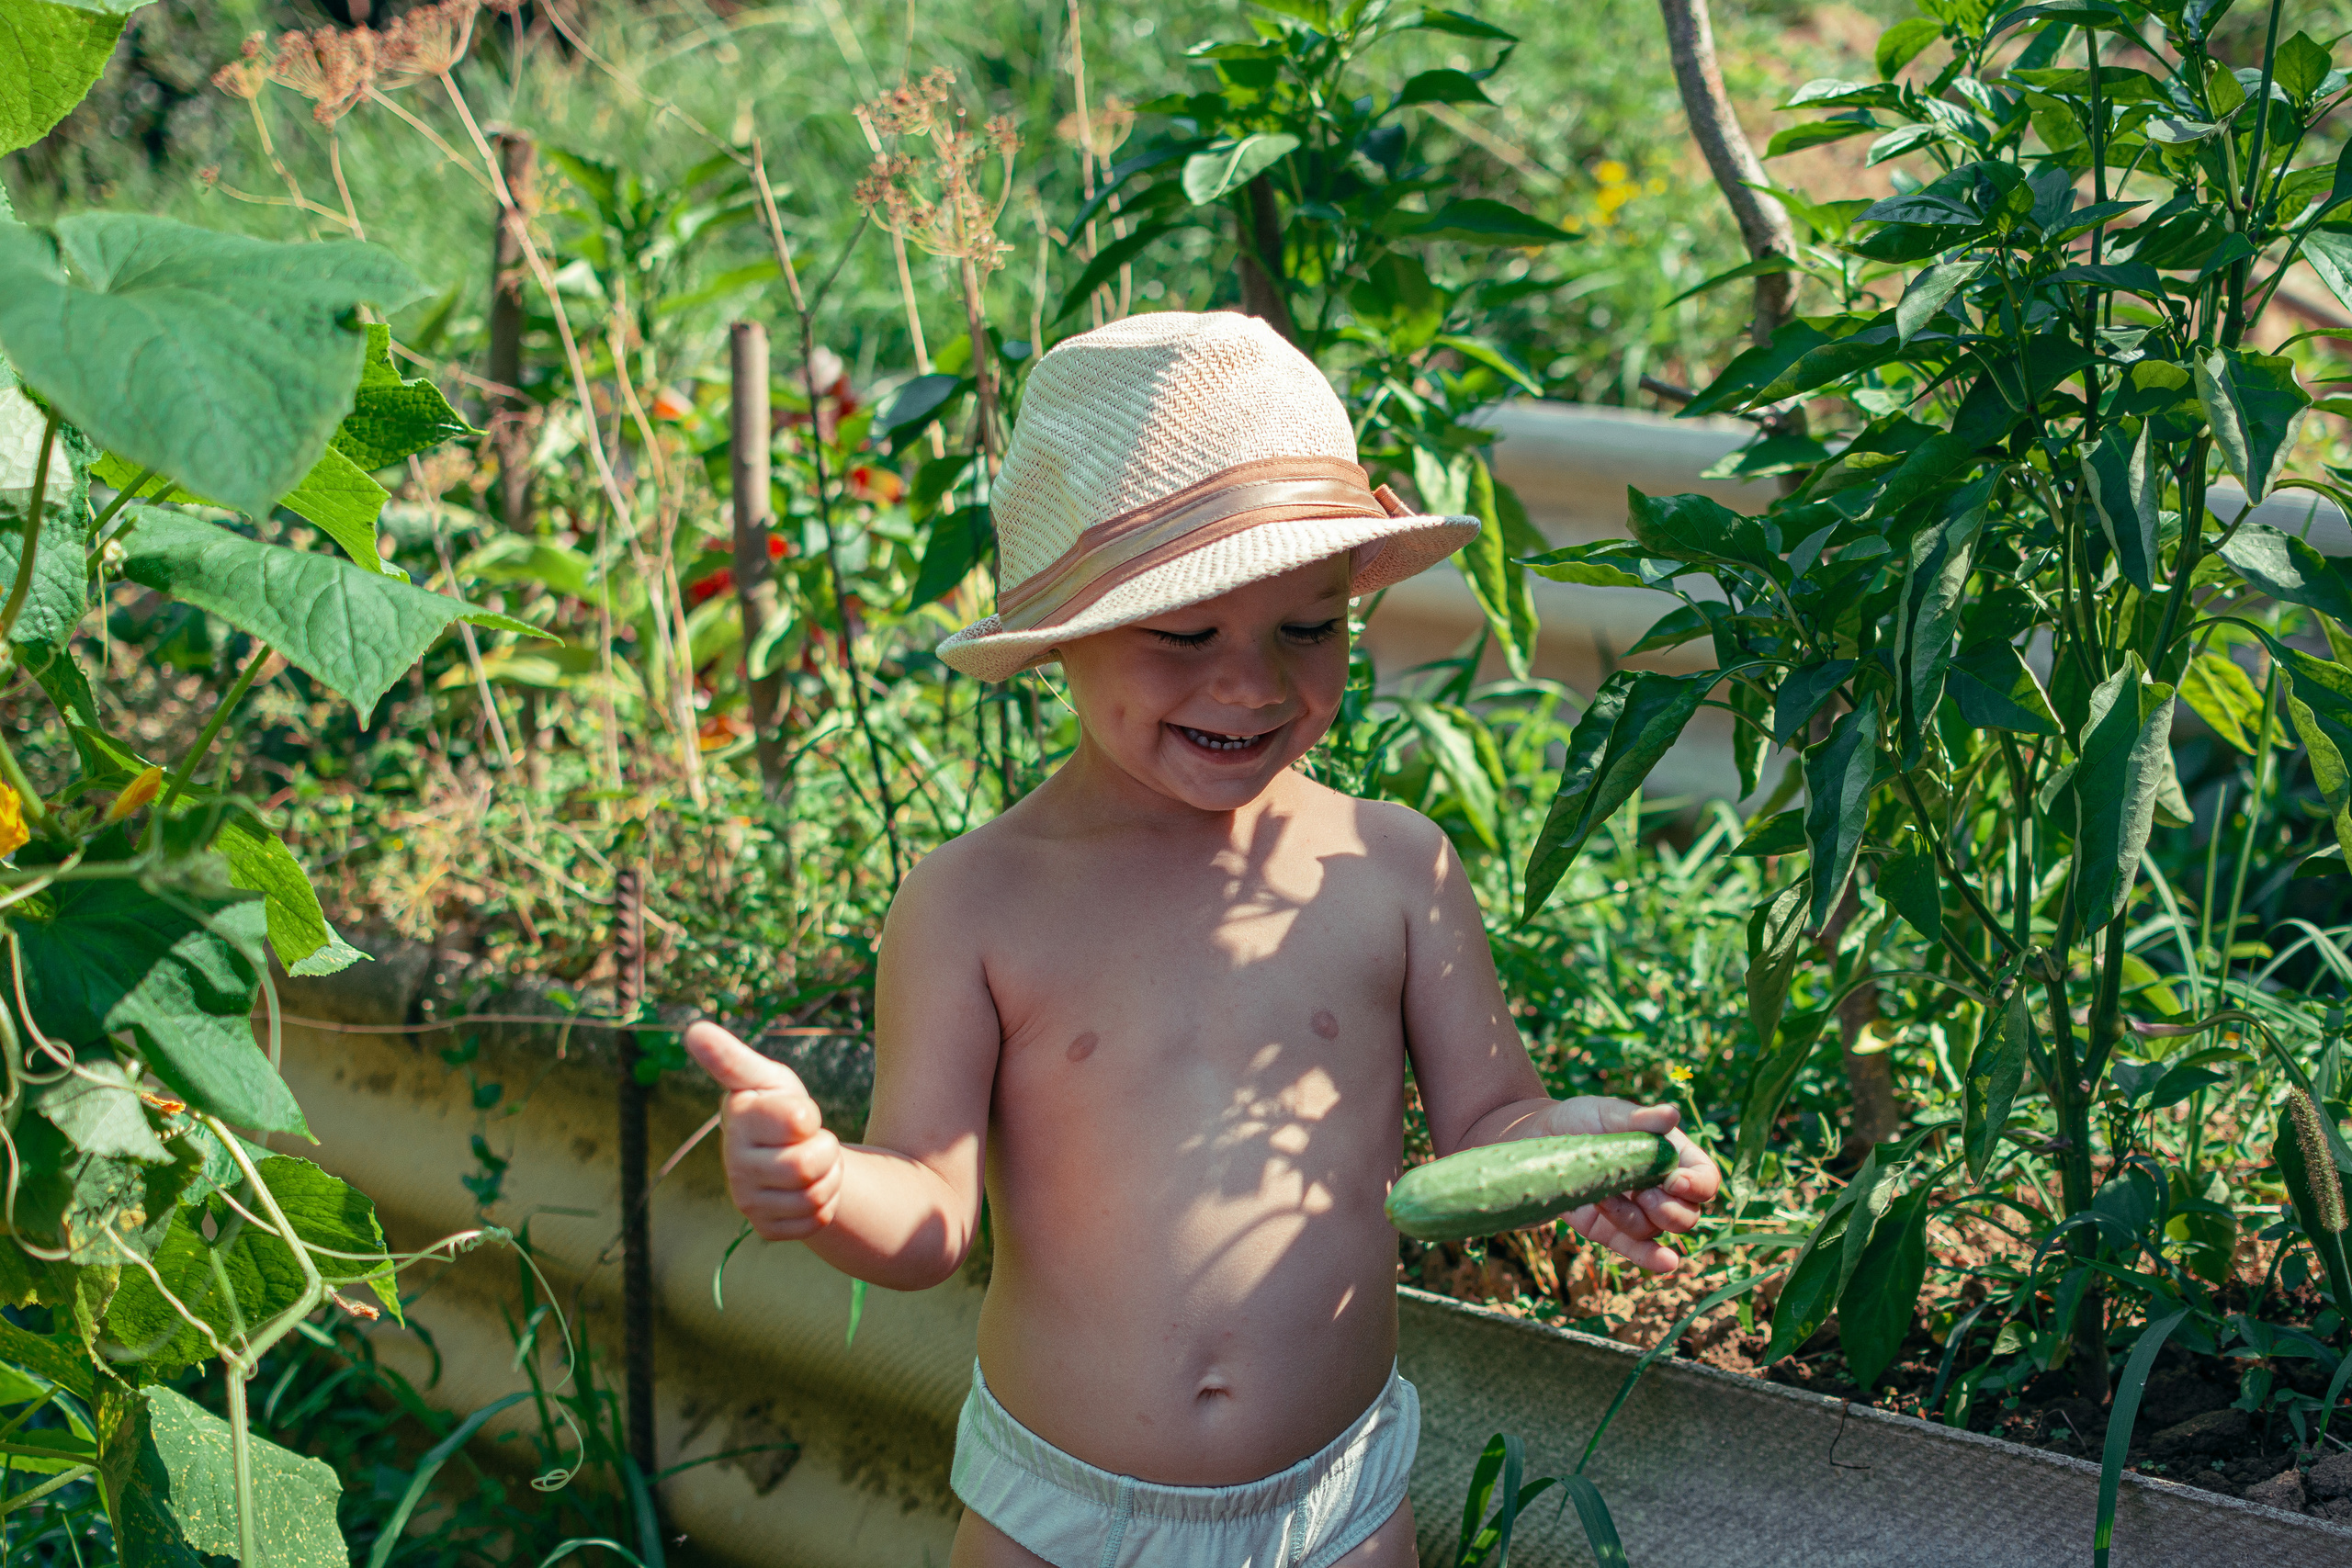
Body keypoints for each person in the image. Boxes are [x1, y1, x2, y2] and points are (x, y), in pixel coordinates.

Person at [685, 311, 1721, 1568]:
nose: (1252, 684)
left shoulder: (1390, 868)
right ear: (1063, 633)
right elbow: (931, 1220)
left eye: (1310, 626)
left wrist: (1573, 1149)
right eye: (1184, 634)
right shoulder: (976, 902)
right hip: (1056, 1513)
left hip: (1332, 1504)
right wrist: (828, 1184)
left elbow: (1488, 1124)